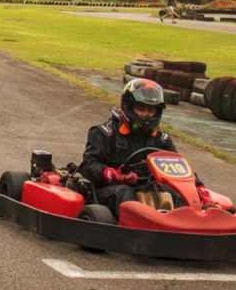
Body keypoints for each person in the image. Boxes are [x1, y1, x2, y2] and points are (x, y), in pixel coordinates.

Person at [79, 78, 218, 219]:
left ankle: (187, 224)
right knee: (124, 192)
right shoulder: (104, 133)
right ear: (128, 105)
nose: (146, 114)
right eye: (140, 108)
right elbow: (88, 165)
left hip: (148, 187)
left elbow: (179, 171)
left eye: (150, 109)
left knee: (176, 195)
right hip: (109, 189)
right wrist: (114, 174)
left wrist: (199, 189)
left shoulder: (161, 139)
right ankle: (138, 224)